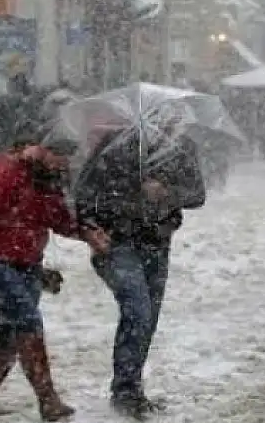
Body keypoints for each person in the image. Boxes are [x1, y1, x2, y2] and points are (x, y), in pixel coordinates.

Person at [73, 109, 206, 418]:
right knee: (138, 310)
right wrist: (99, 221)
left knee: (148, 318)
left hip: (157, 243)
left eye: (172, 119)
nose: (166, 124)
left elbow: (197, 194)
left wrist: (166, 192)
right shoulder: (115, 145)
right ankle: (124, 391)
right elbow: (85, 192)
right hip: (118, 242)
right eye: (159, 118)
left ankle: (131, 387)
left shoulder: (182, 148)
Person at [0, 135, 109, 420]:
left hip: (27, 264)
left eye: (65, 161)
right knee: (27, 322)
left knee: (12, 333)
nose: (61, 165)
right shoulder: (4, 165)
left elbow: (57, 219)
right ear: (40, 150)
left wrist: (85, 233)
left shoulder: (50, 180)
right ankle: (48, 400)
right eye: (57, 157)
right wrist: (26, 169)